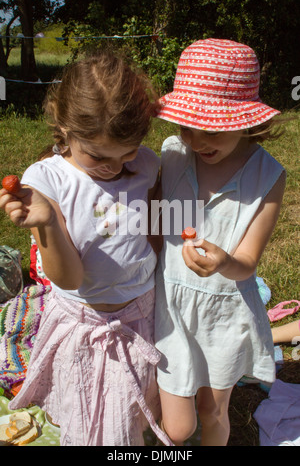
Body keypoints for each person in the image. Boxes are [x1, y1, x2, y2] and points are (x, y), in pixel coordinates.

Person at [0, 51, 172, 446]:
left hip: (141, 313)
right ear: (64, 127)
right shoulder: (49, 180)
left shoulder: (146, 163)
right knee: (100, 425)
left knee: (133, 409)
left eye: (125, 154)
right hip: (85, 321)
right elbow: (69, 277)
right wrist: (44, 222)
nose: (114, 167)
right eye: (98, 156)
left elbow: (155, 232)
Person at [154, 38, 287, 446]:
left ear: (246, 120)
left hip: (222, 315)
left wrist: (225, 262)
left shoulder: (267, 176)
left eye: (209, 129)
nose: (196, 141)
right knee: (178, 429)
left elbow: (247, 262)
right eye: (185, 127)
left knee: (212, 410)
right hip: (171, 305)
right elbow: (159, 226)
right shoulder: (173, 154)